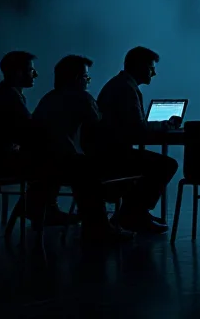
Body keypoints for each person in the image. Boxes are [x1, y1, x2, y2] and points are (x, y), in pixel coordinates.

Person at [32, 55, 133, 242]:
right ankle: (103, 225)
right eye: (87, 78)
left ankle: (96, 223)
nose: (88, 82)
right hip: (66, 164)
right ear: (78, 78)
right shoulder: (82, 98)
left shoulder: (48, 98)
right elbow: (101, 131)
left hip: (42, 165)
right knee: (104, 167)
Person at [92, 46, 181, 234]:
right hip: (112, 155)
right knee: (165, 165)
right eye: (151, 68)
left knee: (155, 164)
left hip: (104, 152)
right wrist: (166, 125)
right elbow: (137, 129)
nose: (154, 73)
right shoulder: (126, 88)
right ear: (139, 66)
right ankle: (134, 213)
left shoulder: (120, 84)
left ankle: (132, 212)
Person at [0, 50, 75, 226]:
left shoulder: (8, 93)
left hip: (7, 155)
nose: (36, 74)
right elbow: (30, 131)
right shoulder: (10, 96)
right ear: (18, 73)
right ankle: (42, 208)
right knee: (57, 158)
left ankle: (39, 206)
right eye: (30, 70)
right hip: (5, 160)